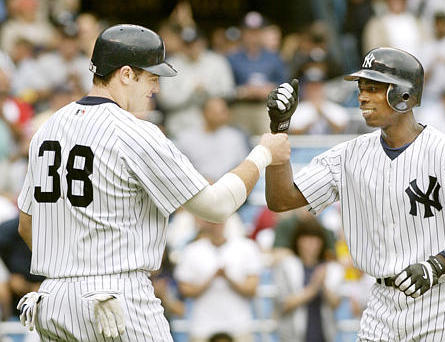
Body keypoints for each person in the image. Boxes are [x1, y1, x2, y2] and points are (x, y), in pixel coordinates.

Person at [15, 24, 290, 341]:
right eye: (152, 77)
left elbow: (27, 224)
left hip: (53, 298)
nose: (157, 88)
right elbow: (216, 206)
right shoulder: (135, 131)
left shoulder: (47, 128)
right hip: (117, 296)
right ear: (127, 74)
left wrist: (71, 268)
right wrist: (263, 153)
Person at [265, 47, 445, 341]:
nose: (362, 96)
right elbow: (281, 199)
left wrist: (437, 265)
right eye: (362, 88)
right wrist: (279, 130)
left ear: (403, 95)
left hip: (441, 302)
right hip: (381, 304)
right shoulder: (349, 155)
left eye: (373, 88)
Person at [274, 217, 344, 342]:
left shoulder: (330, 269)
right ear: (297, 241)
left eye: (314, 239)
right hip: (293, 337)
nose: (310, 244)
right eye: (306, 239)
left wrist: (323, 286)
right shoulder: (287, 266)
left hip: (324, 335)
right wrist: (312, 289)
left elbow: (336, 304)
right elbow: (283, 305)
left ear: (321, 242)